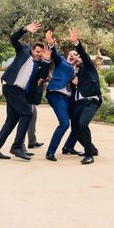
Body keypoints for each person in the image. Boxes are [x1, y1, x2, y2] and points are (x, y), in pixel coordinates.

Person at [0, 22, 51, 161]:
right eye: (37, 51)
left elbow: (42, 76)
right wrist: (24, 30)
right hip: (10, 87)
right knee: (27, 113)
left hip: (19, 91)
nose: (39, 54)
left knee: (11, 121)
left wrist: (46, 61)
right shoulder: (23, 50)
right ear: (32, 49)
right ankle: (17, 146)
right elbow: (13, 39)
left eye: (41, 53)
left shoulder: (40, 63)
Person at [43, 31, 80, 161]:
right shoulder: (62, 62)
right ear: (67, 55)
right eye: (71, 54)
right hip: (56, 94)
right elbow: (55, 55)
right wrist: (51, 44)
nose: (72, 55)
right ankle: (50, 152)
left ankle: (68, 147)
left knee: (79, 123)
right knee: (64, 123)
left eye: (75, 55)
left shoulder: (75, 71)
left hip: (67, 99)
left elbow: (78, 83)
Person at [69, 29, 102, 165]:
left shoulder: (89, 67)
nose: (77, 57)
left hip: (90, 101)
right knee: (75, 128)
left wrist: (76, 43)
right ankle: (92, 149)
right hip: (79, 102)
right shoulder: (78, 71)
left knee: (83, 124)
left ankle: (89, 155)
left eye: (78, 56)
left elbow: (84, 55)